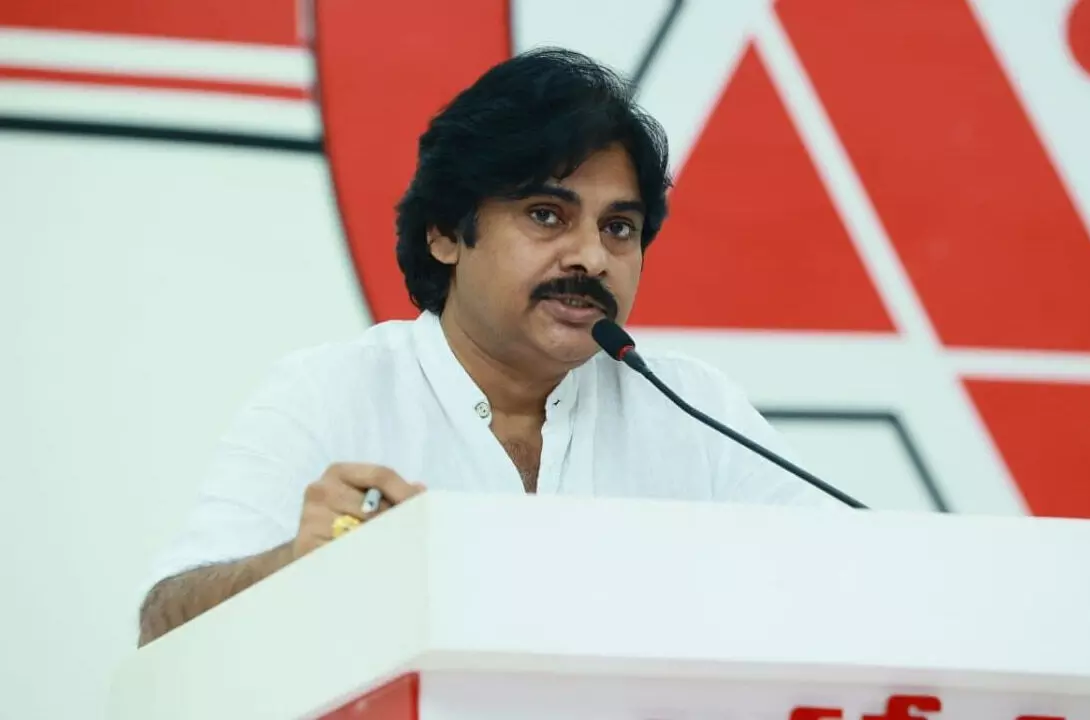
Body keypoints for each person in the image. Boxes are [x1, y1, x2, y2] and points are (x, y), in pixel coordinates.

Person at [137, 48, 839, 646]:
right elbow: (161, 626)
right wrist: (293, 565)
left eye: (619, 228)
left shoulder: (695, 411)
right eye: (546, 215)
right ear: (446, 232)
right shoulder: (329, 393)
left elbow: (845, 587)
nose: (592, 257)